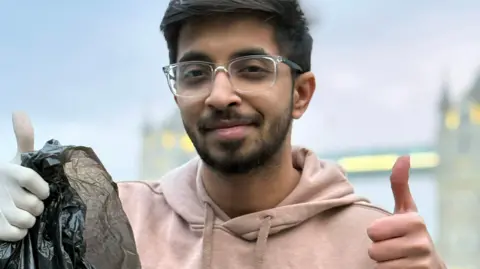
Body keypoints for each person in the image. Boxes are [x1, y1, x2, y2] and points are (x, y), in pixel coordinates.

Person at [0, 1, 446, 268]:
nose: (219, 94)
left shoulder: (378, 245)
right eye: (195, 72)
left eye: (252, 69)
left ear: (301, 94)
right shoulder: (117, 220)